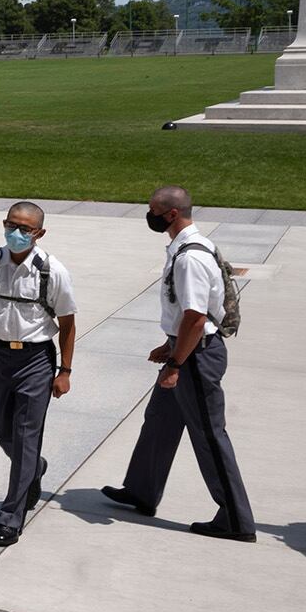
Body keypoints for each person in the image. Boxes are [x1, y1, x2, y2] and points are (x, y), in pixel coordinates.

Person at [101, 186, 256, 542]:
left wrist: (175, 363)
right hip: (185, 349)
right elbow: (184, 317)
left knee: (209, 435)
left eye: (153, 209)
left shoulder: (190, 258)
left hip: (196, 358)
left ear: (171, 215)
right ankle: (141, 490)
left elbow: (196, 318)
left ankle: (235, 518)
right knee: (159, 421)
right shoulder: (187, 247)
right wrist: (169, 344)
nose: (149, 214)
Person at [0, 201, 77, 547]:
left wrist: (65, 370)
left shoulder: (52, 271)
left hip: (35, 361)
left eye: (25, 228)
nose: (16, 232)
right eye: (11, 225)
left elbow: (68, 323)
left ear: (39, 233)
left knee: (26, 435)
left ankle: (11, 516)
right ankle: (33, 468)